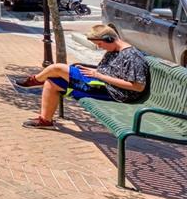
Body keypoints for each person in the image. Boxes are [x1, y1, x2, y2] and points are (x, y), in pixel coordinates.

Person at [18, 25, 149, 129]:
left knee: (56, 68)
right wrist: (94, 72)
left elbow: (137, 87)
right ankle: (45, 120)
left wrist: (99, 76)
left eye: (100, 44)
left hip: (114, 92)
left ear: (109, 39)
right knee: (52, 82)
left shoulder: (132, 57)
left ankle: (34, 80)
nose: (100, 47)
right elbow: (109, 71)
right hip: (100, 83)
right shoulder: (114, 50)